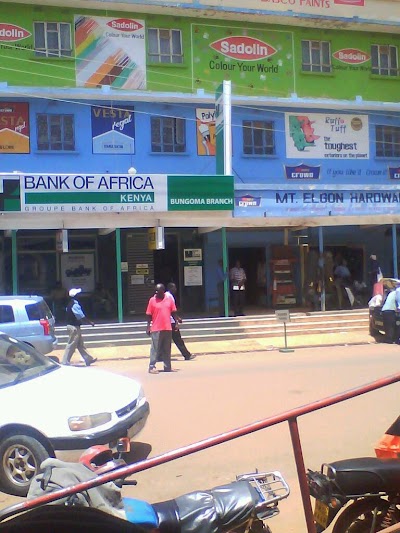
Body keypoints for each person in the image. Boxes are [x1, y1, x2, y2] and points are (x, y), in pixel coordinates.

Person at [146, 283, 179, 374]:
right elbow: (148, 315)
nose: (156, 292)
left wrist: (176, 323)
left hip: (167, 327)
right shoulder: (152, 300)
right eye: (155, 291)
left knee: (167, 348)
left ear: (163, 291)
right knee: (155, 349)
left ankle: (167, 366)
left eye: (158, 291)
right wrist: (148, 326)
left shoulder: (169, 300)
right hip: (156, 328)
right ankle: (152, 366)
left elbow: (173, 312)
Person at [62, 288, 97, 366]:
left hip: (73, 326)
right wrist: (90, 322)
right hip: (74, 327)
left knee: (80, 344)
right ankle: (65, 361)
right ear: (76, 296)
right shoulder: (75, 305)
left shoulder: (69, 304)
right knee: (71, 344)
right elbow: (81, 316)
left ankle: (88, 359)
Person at [165, 282, 196, 361]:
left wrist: (177, 318)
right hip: (170, 321)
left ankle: (160, 356)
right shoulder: (169, 297)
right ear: (170, 288)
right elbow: (171, 310)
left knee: (165, 340)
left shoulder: (166, 296)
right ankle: (187, 355)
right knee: (178, 339)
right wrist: (176, 321)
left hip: (166, 321)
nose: (175, 289)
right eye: (174, 288)